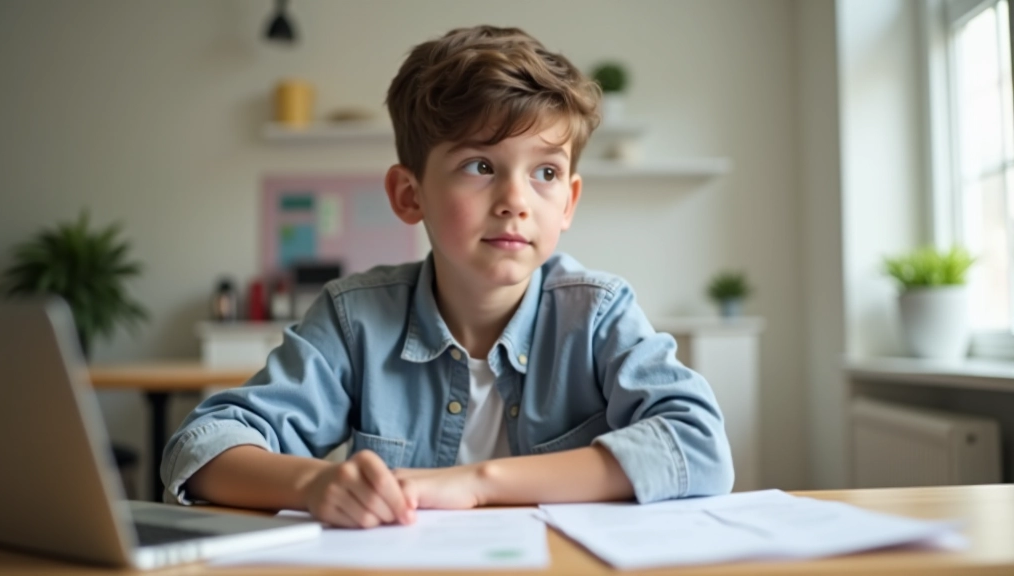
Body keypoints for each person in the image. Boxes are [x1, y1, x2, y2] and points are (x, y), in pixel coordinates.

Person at [161, 25, 733, 528]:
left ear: (569, 202)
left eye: (545, 172)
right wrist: (313, 485)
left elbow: (698, 446)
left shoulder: (599, 312)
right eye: (480, 166)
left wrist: (480, 483)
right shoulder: (355, 318)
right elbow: (201, 447)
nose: (515, 200)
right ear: (410, 195)